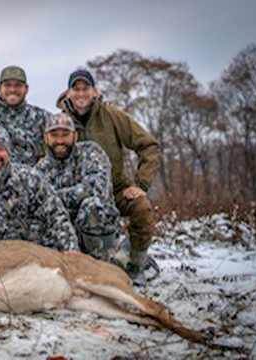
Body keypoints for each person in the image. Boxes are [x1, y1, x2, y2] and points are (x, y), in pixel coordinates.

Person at [57, 69, 160, 284]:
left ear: (95, 91)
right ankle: (88, 267)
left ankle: (135, 266)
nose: (81, 93)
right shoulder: (59, 122)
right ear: (68, 93)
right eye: (76, 89)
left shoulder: (112, 115)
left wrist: (140, 184)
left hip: (115, 190)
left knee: (142, 208)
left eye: (86, 88)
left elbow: (148, 146)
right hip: (79, 194)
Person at [36, 113, 121, 261]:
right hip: (60, 230)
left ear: (75, 137)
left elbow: (94, 190)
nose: (60, 140)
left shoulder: (91, 152)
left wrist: (51, 197)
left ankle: (102, 261)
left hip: (91, 228)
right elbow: (35, 203)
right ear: (46, 138)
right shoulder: (40, 168)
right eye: (54, 135)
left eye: (65, 135)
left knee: (93, 206)